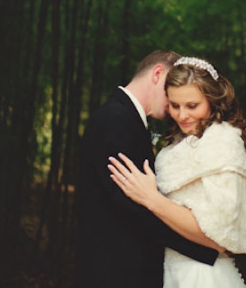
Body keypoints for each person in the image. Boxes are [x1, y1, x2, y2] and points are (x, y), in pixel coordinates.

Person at [108, 56, 246, 288]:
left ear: (213, 100)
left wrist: (151, 199)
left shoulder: (223, 141)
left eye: (192, 106)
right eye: (175, 105)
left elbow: (218, 238)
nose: (182, 116)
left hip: (201, 274)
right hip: (168, 270)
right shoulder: (179, 143)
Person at [74, 51, 220, 288]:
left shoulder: (124, 117)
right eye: (171, 90)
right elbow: (133, 207)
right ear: (158, 73)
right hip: (115, 273)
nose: (175, 103)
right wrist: (203, 245)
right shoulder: (116, 120)